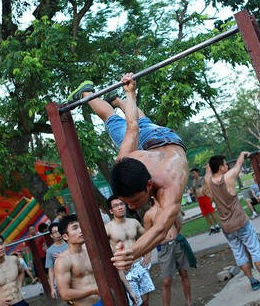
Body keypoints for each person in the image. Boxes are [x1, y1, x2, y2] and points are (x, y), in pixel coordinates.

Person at [70, 73, 188, 270]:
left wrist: (131, 253)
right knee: (117, 120)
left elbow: (160, 229)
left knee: (123, 120)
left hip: (160, 142)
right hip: (155, 140)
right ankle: (101, 96)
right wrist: (130, 93)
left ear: (149, 184)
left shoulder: (171, 184)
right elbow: (132, 127)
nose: (131, 206)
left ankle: (101, 96)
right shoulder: (125, 159)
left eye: (133, 200)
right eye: (127, 202)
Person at [205, 152, 260, 291]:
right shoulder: (228, 177)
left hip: (226, 227)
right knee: (254, 250)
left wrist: (208, 169)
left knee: (239, 254)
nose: (227, 165)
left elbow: (207, 174)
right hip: (240, 223)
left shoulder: (209, 182)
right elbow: (238, 165)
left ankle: (253, 282)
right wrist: (241, 154)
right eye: (225, 164)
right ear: (221, 167)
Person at [105, 195, 155, 306]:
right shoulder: (108, 228)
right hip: (125, 269)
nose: (120, 207)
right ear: (111, 211)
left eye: (121, 204)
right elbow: (102, 251)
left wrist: (148, 254)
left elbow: (148, 237)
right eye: (116, 205)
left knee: (146, 299)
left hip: (140, 264)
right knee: (136, 301)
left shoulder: (133, 222)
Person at [144, 198, 193, 306]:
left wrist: (174, 237)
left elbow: (178, 225)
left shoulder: (170, 209)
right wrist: (148, 254)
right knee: (167, 281)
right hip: (164, 248)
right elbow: (148, 237)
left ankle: (189, 303)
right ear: (152, 197)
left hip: (177, 244)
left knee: (184, 273)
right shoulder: (149, 215)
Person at [53, 214, 101, 306]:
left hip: (104, 301)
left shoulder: (90, 252)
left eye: (81, 227)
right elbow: (65, 294)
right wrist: (93, 290)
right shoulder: (63, 260)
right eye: (75, 228)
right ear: (65, 237)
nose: (81, 230)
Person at [190, 168, 220, 234]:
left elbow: (207, 188)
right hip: (200, 199)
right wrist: (196, 197)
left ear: (197, 172)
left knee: (211, 213)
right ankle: (212, 228)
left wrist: (210, 197)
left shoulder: (203, 179)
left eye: (194, 173)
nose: (193, 174)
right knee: (205, 214)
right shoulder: (193, 182)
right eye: (192, 173)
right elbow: (194, 191)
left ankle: (217, 226)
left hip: (206, 197)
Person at [46, 222, 68, 299]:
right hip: (63, 282)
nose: (58, 233)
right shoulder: (50, 251)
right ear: (51, 235)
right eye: (55, 232)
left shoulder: (70, 243)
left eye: (59, 230)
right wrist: (52, 288)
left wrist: (64, 256)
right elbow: (51, 270)